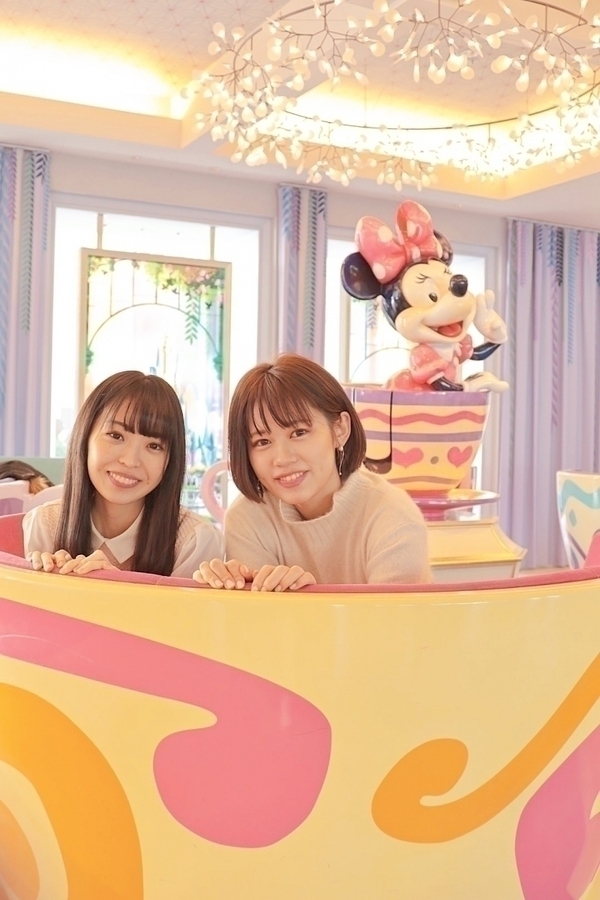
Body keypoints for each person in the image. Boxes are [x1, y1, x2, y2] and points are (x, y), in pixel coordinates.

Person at [194, 353, 430, 591]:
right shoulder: (248, 519)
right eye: (262, 442)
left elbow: (388, 615)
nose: (282, 458)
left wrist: (306, 600)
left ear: (340, 429)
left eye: (299, 433)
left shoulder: (392, 516)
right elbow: (257, 613)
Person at [24, 370, 224, 577]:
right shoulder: (46, 523)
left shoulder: (194, 541)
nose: (130, 461)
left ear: (171, 460)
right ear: (85, 437)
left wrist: (116, 584)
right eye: (116, 435)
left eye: (154, 446)